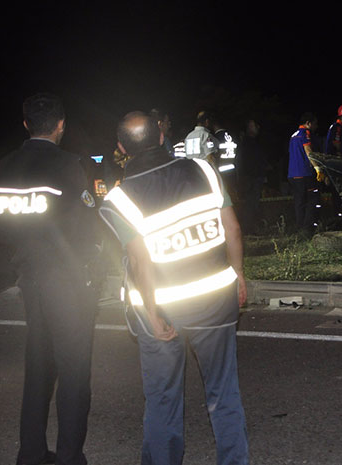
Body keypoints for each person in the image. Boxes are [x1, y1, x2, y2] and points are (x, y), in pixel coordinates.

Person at [98, 111, 249, 465]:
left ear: (121, 148)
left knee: (163, 399)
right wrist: (239, 274)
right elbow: (233, 229)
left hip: (162, 309)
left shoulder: (119, 200)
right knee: (224, 394)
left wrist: (151, 314)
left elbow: (140, 261)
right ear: (162, 137)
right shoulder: (204, 170)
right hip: (215, 300)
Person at [0, 93, 100, 465]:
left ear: (25, 124)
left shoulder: (3, 168)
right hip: (66, 280)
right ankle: (69, 456)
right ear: (61, 124)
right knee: (73, 372)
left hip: (27, 277)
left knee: (37, 367)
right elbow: (87, 223)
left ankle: (30, 452)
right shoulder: (68, 165)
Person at [288, 112, 322, 238]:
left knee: (299, 202)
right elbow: (308, 151)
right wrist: (317, 168)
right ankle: (308, 230)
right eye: (315, 123)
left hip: (293, 175)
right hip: (305, 174)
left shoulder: (293, 135)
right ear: (308, 123)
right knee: (312, 201)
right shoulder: (305, 133)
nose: (316, 126)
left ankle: (300, 229)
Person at [237, 118, 268, 235]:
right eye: (254, 125)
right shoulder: (246, 143)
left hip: (253, 177)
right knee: (250, 204)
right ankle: (248, 229)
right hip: (251, 178)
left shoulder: (252, 142)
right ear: (249, 127)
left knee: (253, 203)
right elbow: (247, 161)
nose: (257, 128)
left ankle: (250, 228)